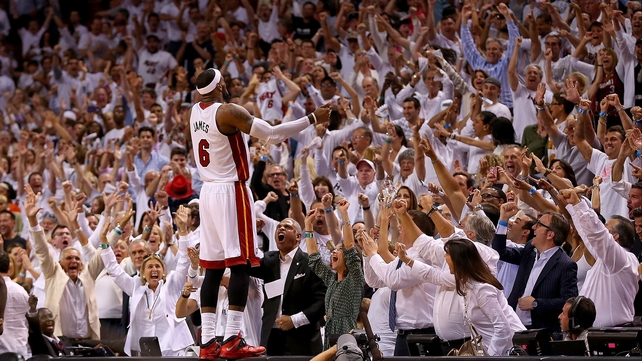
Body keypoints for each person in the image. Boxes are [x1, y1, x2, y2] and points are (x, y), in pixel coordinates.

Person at [187, 68, 331, 360]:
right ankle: (233, 338)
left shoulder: (194, 112)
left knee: (213, 268)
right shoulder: (227, 111)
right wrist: (313, 118)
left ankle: (208, 343)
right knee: (241, 264)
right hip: (231, 191)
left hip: (208, 192)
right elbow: (273, 134)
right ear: (220, 85)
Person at [396, 238, 525, 356]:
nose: (444, 258)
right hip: (493, 350)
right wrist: (406, 259)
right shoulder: (464, 282)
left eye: (447, 254)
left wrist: (490, 356)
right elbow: (433, 275)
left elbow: (502, 328)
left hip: (510, 351)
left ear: (458, 259)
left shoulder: (483, 289)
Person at [100, 206, 196, 356]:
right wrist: (104, 242)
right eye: (150, 267)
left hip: (173, 349)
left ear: (163, 271)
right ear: (143, 273)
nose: (154, 270)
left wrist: (183, 231)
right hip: (145, 349)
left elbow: (184, 259)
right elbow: (114, 270)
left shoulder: (172, 283)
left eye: (158, 266)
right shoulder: (135, 285)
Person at [248, 218, 327, 356]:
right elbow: (245, 265)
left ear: (298, 237)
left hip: (302, 338)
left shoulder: (310, 263)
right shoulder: (268, 260)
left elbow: (322, 301)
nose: (281, 228)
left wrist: (294, 320)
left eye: (287, 226)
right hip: (271, 338)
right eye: (279, 226)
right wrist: (252, 232)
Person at [304, 200, 364, 350]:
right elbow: (314, 260)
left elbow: (350, 247)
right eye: (334, 250)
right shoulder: (332, 279)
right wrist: (308, 226)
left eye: (339, 250)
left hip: (348, 334)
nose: (333, 252)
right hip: (330, 334)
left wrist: (344, 213)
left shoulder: (355, 278)